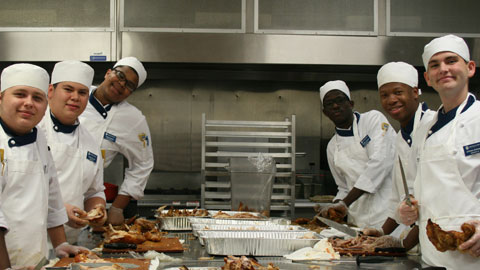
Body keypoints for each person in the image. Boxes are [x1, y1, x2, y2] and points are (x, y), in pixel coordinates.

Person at [398, 34, 480, 269]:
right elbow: (419, 187)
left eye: (451, 60)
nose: (443, 69)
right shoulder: (425, 127)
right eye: (435, 65)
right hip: (432, 256)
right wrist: (409, 208)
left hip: (473, 255)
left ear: (470, 68)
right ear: (428, 78)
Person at [0, 64, 86, 268]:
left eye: (37, 98)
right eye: (20, 94)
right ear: (1, 97)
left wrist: (60, 244)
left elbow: (52, 197)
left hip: (33, 258)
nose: (29, 103)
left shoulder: (38, 137)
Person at [361, 62, 435, 251]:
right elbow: (399, 199)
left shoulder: (433, 128)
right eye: (384, 95)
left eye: (398, 92)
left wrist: (402, 247)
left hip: (445, 237)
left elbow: (435, 202)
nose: (391, 100)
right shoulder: (401, 137)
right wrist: (381, 232)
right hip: (422, 241)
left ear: (415, 92)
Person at [38, 61, 107, 244]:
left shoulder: (90, 143)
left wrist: (98, 210)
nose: (75, 97)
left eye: (82, 92)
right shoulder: (33, 131)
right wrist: (59, 210)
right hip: (25, 241)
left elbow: (94, 191)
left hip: (69, 244)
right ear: (51, 91)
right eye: (68, 89)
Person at [79, 57, 154, 225]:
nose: (122, 84)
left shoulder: (133, 119)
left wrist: (117, 208)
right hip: (46, 194)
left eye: (129, 86)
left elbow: (143, 163)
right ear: (108, 73)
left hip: (90, 203)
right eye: (120, 76)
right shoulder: (77, 96)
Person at [316, 80, 396, 228]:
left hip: (388, 217)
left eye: (340, 100)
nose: (335, 106)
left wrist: (345, 203)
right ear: (325, 112)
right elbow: (343, 187)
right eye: (329, 103)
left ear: (351, 104)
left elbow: (379, 164)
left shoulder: (372, 120)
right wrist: (333, 207)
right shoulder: (332, 147)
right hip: (357, 221)